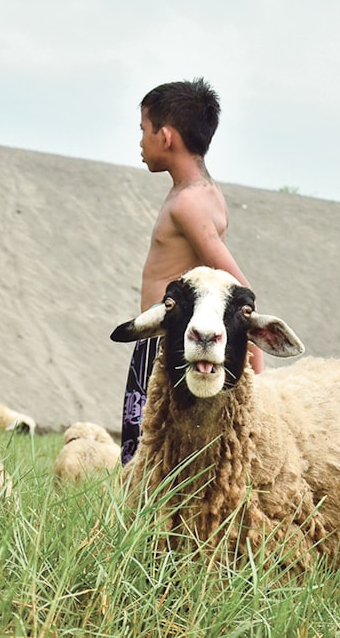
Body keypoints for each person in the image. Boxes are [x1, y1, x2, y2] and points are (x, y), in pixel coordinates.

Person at [119, 78, 263, 463]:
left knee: (147, 449)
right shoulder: (206, 192)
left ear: (166, 137)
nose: (140, 142)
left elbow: (231, 278)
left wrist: (252, 343)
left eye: (143, 130)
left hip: (167, 342)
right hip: (178, 338)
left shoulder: (189, 203)